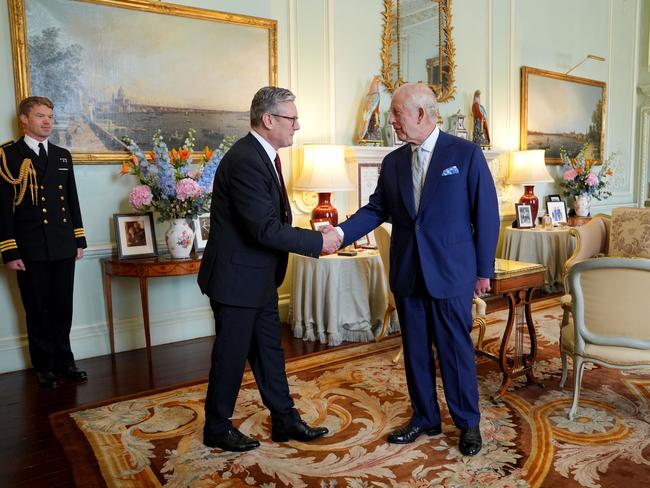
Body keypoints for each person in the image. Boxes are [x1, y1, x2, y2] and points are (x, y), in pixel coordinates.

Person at [337, 83, 500, 456]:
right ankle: (425, 417)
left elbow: (486, 216)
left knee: (455, 350)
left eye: (396, 113)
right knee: (414, 350)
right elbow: (377, 209)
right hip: (409, 272)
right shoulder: (393, 162)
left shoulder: (466, 153)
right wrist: (341, 234)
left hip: (452, 272)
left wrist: (482, 269)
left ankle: (467, 422)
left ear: (421, 114)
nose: (391, 120)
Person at [197, 86, 341, 452]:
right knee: (230, 356)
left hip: (257, 277)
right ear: (269, 119)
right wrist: (316, 242)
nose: (297, 125)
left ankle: (284, 418)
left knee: (268, 351)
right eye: (292, 118)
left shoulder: (263, 156)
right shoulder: (246, 159)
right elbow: (263, 228)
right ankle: (216, 426)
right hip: (236, 279)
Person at [0, 96, 87, 390]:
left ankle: (66, 361)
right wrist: (9, 250)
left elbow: (71, 200)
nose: (48, 121)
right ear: (24, 119)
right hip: (30, 247)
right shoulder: (8, 155)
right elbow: (3, 208)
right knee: (37, 310)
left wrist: (79, 239)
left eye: (50, 116)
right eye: (40, 116)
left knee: (63, 308)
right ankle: (44, 366)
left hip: (62, 244)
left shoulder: (62, 155)